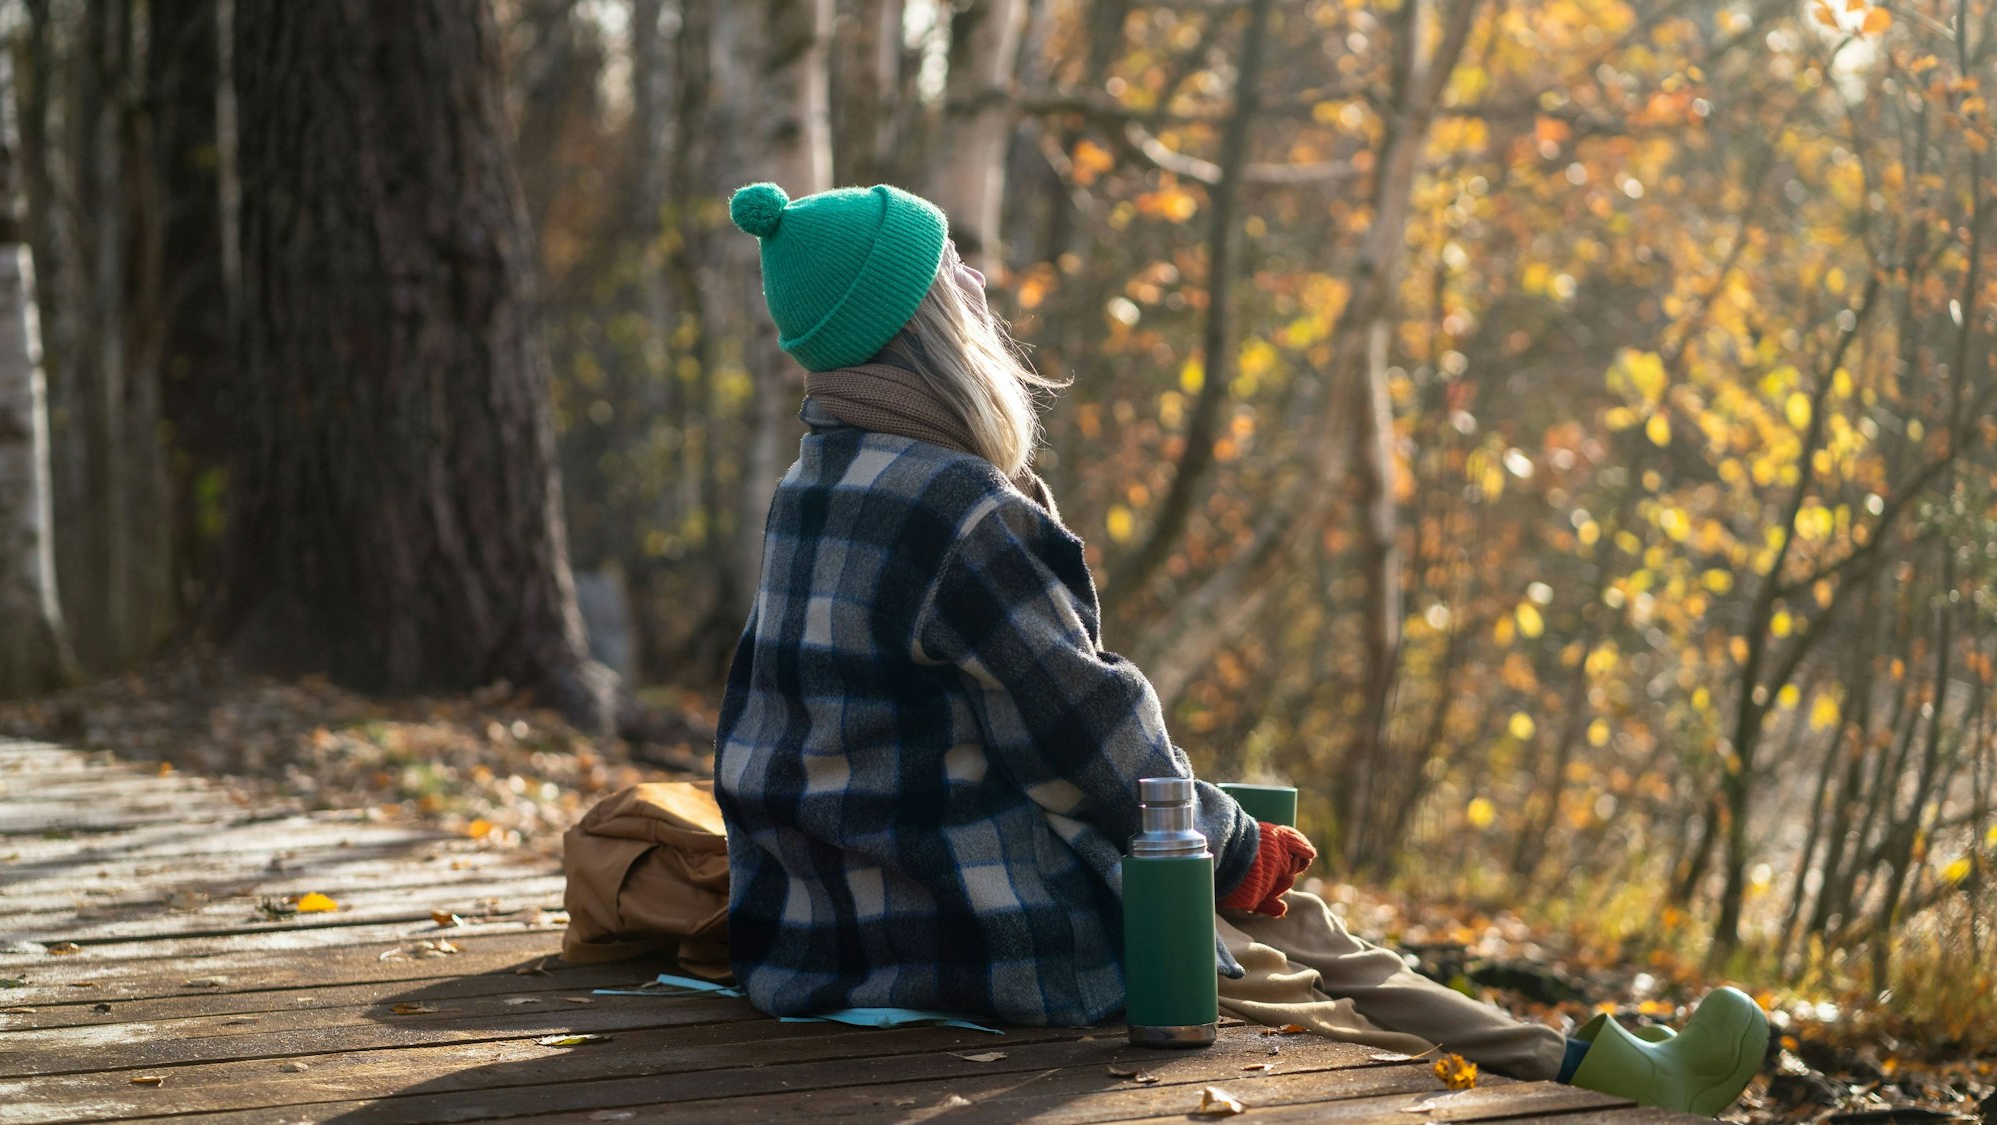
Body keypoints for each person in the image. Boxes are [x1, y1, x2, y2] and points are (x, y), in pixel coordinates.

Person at [710, 180, 1768, 1115]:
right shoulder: (961, 509)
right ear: (925, 326)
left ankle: (1590, 1061)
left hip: (816, 933)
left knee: (1297, 926)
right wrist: (1227, 846)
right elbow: (1090, 731)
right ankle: (1592, 1088)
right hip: (964, 941)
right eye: (953, 271)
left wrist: (1216, 833)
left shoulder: (815, 486)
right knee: (1296, 985)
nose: (977, 283)